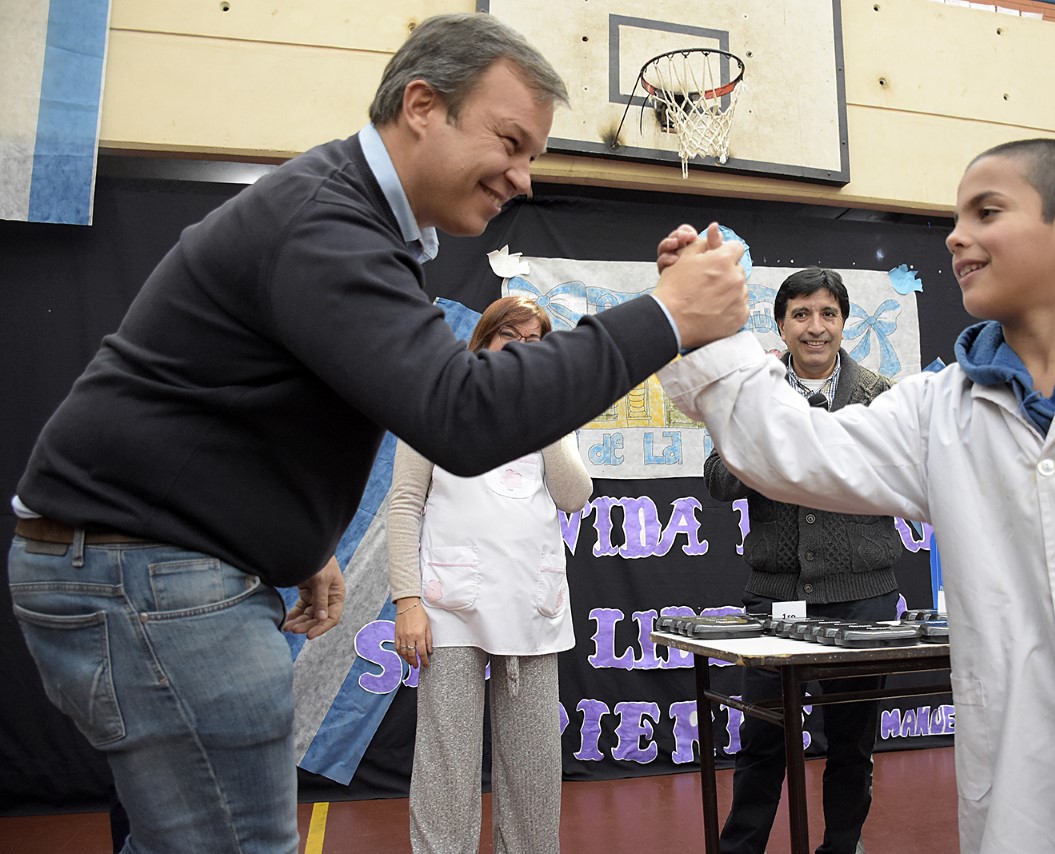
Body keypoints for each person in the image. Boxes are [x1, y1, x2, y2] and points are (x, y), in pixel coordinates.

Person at [7, 12, 745, 853]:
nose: (524, 177)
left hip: (151, 566)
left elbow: (248, 400)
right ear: (423, 105)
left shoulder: (355, 226)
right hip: (146, 577)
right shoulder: (329, 222)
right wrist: (664, 317)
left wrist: (294, 542)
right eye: (511, 141)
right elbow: (463, 416)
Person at [658, 139, 1055, 853]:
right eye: (956, 217)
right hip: (1021, 813)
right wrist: (709, 330)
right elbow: (791, 451)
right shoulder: (937, 411)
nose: (956, 235)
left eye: (987, 212)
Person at [705, 269, 901, 854]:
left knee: (851, 744)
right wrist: (765, 432)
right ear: (782, 325)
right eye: (801, 315)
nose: (815, 328)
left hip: (863, 597)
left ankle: (842, 846)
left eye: (827, 314)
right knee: (763, 740)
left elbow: (903, 476)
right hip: (777, 601)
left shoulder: (880, 394)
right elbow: (717, 480)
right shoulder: (754, 391)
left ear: (843, 322)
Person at [386, 295, 591, 853]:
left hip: (531, 605)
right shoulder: (434, 404)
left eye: (537, 343)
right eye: (512, 339)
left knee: (533, 768)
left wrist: (544, 411)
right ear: (484, 341)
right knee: (446, 764)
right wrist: (406, 601)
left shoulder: (557, 408)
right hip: (449, 607)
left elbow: (575, 496)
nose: (524, 352)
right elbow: (404, 503)